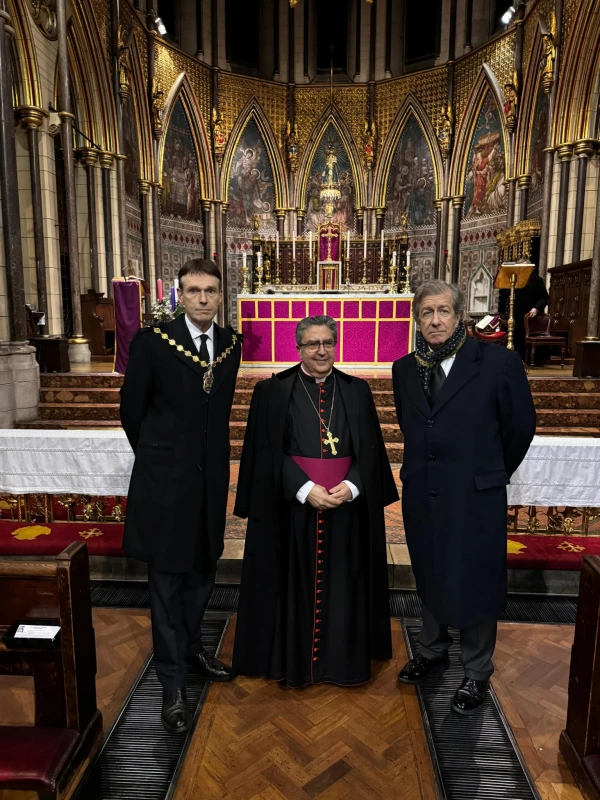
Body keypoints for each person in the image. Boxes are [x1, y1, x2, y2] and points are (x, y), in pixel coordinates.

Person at [392, 280, 535, 715]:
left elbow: (520, 428)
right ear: (417, 320)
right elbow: (413, 426)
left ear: (459, 317)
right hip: (424, 491)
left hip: (475, 495)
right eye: (425, 313)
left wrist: (490, 474)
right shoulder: (404, 368)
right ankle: (432, 650)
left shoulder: (498, 363)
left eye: (442, 312)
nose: (434, 321)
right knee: (430, 571)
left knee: (475, 578)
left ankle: (476, 670)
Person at [233, 315, 398, 687]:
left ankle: (342, 663)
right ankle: (292, 661)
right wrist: (304, 489)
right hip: (293, 510)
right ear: (299, 348)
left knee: (345, 586)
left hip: (346, 510)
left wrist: (354, 486)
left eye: (327, 343)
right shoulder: (272, 392)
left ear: (336, 345)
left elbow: (370, 451)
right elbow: (264, 452)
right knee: (293, 585)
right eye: (312, 344)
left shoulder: (357, 391)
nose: (321, 351)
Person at [120, 259, 241, 733]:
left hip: (210, 481)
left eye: (211, 290)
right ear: (180, 294)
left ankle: (190, 649)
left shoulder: (231, 345)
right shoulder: (152, 343)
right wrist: (160, 459)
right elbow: (132, 412)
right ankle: (171, 684)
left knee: (203, 569)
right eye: (195, 291)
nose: (204, 299)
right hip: (165, 484)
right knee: (167, 584)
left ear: (220, 294)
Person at [512, 267, 549, 361]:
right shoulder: (515, 279)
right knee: (518, 336)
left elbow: (544, 297)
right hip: (518, 314)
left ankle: (534, 360)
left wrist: (536, 308)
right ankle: (519, 358)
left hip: (532, 315)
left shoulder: (537, 280)